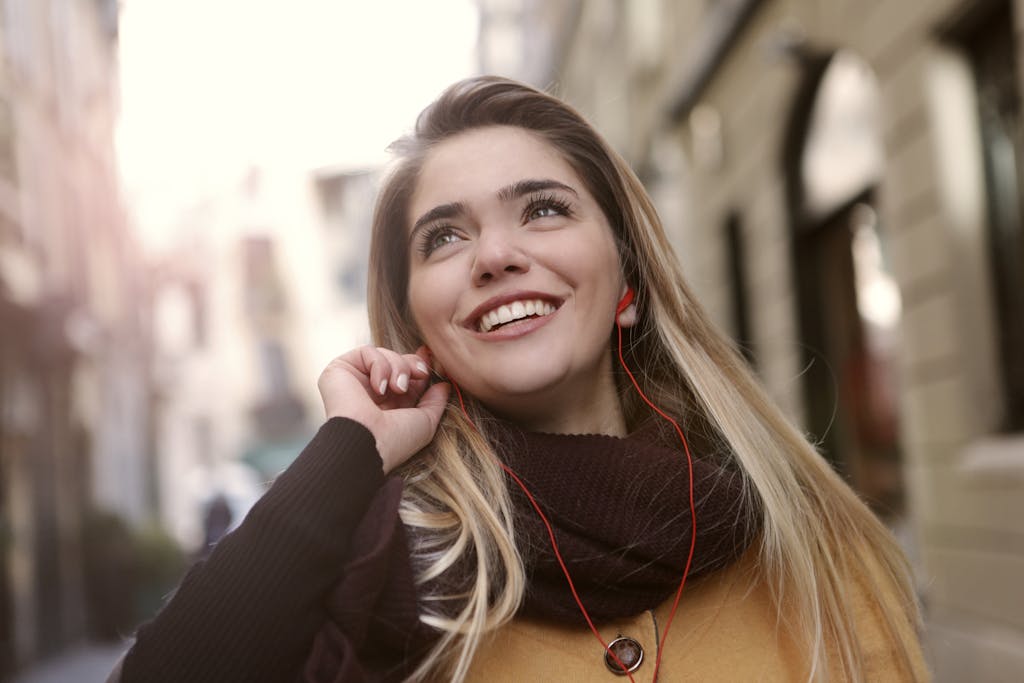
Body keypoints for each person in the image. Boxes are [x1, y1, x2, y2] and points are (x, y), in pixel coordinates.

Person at [113, 76, 927, 682]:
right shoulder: (384, 573)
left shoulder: (815, 549)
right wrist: (349, 447)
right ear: (418, 323)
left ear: (629, 286)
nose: (495, 255)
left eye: (542, 208)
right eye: (443, 237)